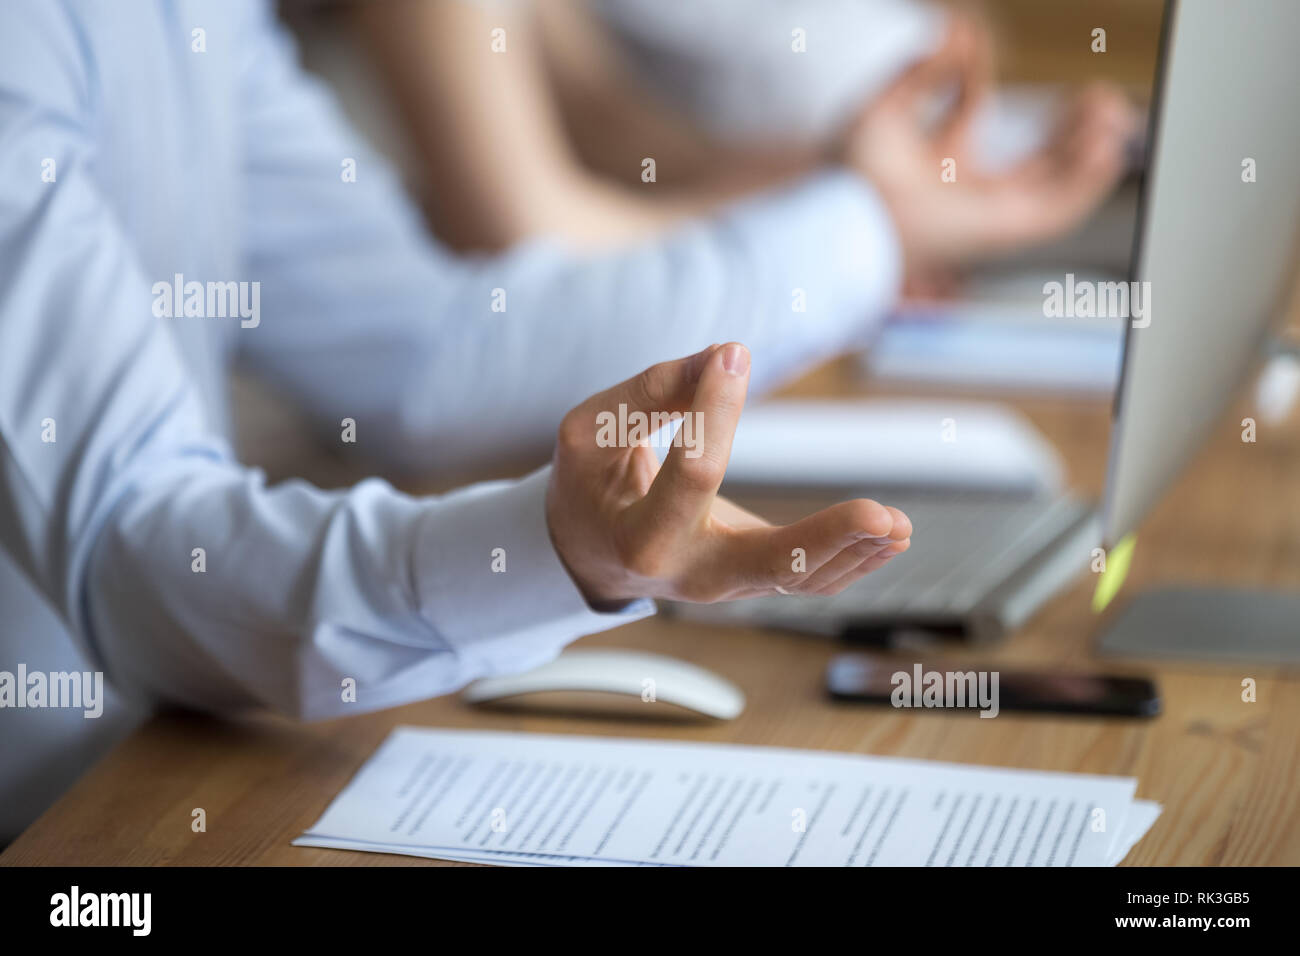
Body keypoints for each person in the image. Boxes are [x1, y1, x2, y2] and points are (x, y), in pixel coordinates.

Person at [0, 0, 1130, 843]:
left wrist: (873, 223)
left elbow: (429, 354)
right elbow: (124, 548)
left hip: (164, 755)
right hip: (59, 805)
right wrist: (550, 551)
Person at [339, 0, 1133, 255]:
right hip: (331, 451)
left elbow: (613, 134)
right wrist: (864, 214)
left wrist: (841, 169)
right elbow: (523, 234)